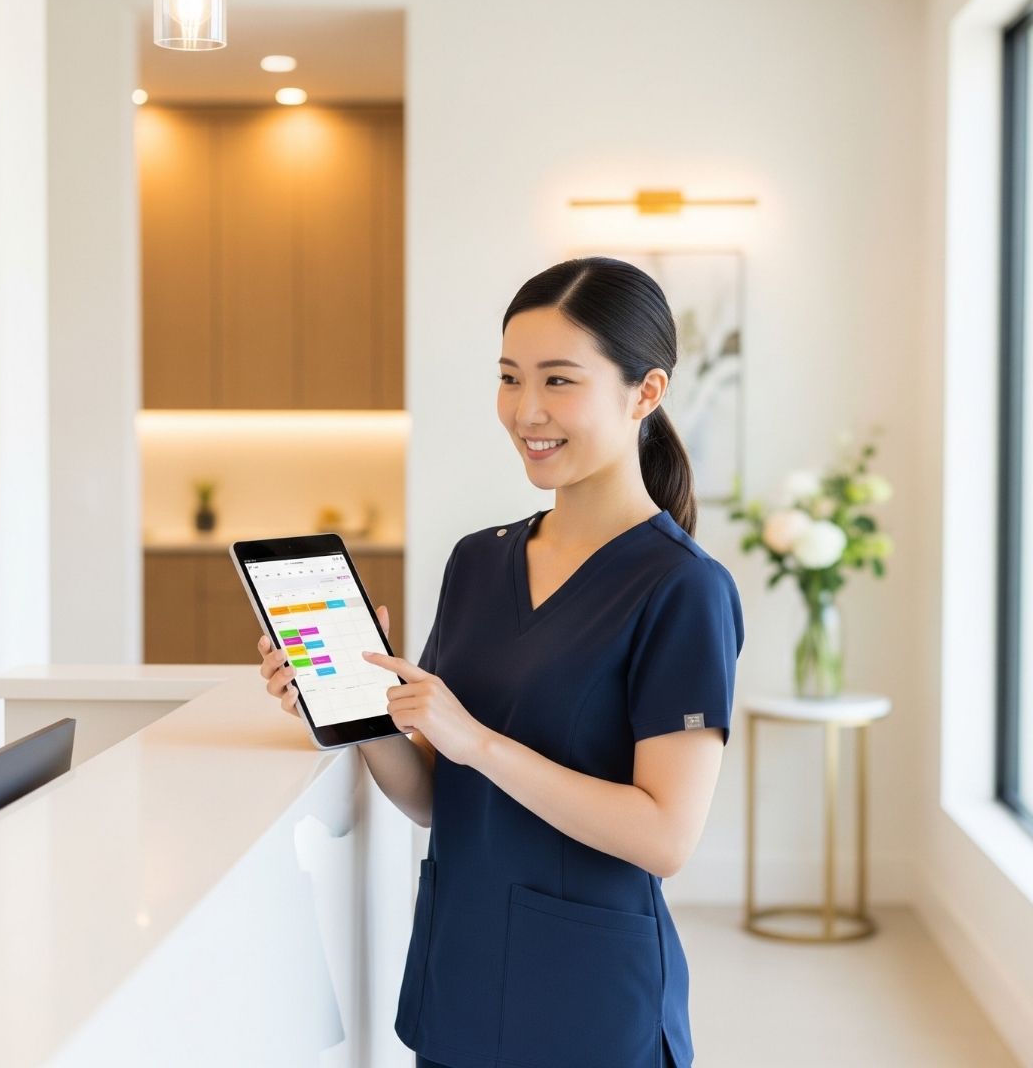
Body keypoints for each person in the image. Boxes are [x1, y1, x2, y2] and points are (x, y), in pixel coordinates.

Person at [257, 256, 745, 1068]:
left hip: (589, 1006)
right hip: (462, 980)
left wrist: (477, 742)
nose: (526, 411)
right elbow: (431, 797)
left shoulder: (684, 589)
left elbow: (665, 836)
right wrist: (361, 710)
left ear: (646, 393)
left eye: (559, 381)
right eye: (510, 378)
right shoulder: (477, 562)